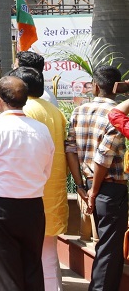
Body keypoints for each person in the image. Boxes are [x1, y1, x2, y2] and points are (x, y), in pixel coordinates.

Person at [0, 77, 54, 291]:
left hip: (0, 207)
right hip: (33, 206)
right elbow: (46, 171)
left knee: (6, 271)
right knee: (32, 267)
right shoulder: (41, 129)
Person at [65, 65, 127, 291]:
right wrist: (93, 191)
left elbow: (70, 149)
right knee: (110, 248)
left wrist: (83, 186)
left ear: (96, 86)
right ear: (117, 88)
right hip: (109, 187)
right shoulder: (118, 113)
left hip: (92, 184)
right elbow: (104, 154)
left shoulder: (79, 110)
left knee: (105, 245)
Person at [15, 66, 69, 291]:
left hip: (32, 189)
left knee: (28, 253)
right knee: (48, 251)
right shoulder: (55, 111)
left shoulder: (25, 109)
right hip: (53, 186)